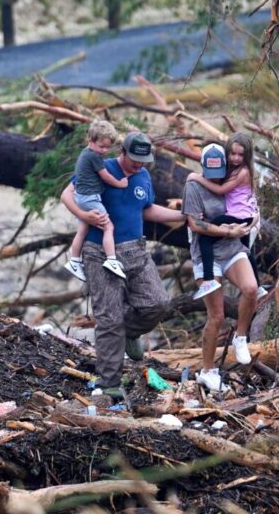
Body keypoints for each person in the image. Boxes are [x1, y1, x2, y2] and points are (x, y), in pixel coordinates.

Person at [60, 131, 185, 392]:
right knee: (109, 318)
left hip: (135, 250)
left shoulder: (143, 175)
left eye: (143, 160)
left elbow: (147, 209)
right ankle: (109, 385)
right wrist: (85, 215)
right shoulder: (99, 166)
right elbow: (66, 195)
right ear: (122, 152)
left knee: (158, 303)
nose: (139, 164)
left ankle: (128, 331)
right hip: (98, 251)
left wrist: (181, 215)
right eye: (134, 159)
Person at [182, 143, 260, 392]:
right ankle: (208, 370)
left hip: (232, 249)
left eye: (219, 172)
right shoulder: (193, 187)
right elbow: (195, 224)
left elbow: (250, 205)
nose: (215, 177)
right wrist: (226, 230)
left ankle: (241, 336)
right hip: (207, 255)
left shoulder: (233, 178)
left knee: (251, 288)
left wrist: (250, 221)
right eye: (210, 173)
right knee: (216, 315)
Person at [187, 133, 266, 300]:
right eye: (233, 154)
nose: (236, 158)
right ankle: (258, 287)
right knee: (246, 250)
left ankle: (208, 279)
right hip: (245, 216)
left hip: (238, 217)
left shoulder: (242, 172)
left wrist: (196, 177)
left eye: (240, 155)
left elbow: (220, 190)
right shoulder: (234, 171)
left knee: (205, 239)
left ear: (247, 155)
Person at [65, 120, 128, 281]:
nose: (104, 151)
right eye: (101, 146)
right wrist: (120, 183)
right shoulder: (94, 157)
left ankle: (74, 260)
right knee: (108, 226)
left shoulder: (86, 153)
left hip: (80, 197)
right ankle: (111, 259)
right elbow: (106, 177)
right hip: (89, 198)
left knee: (82, 230)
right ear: (90, 140)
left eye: (108, 147)